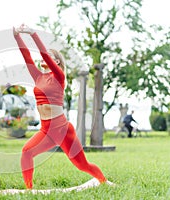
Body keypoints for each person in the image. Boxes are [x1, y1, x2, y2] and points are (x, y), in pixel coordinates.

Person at [13, 24, 113, 189]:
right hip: (46, 130)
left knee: (82, 165)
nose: (44, 59)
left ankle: (104, 181)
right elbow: (27, 57)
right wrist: (17, 36)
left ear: (57, 61)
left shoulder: (58, 76)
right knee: (26, 152)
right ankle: (28, 190)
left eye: (52, 57)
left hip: (62, 129)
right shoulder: (38, 77)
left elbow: (45, 57)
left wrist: (33, 34)